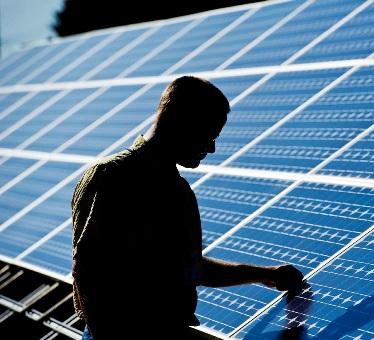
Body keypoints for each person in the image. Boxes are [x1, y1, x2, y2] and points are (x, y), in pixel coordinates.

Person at [71, 76, 304, 339]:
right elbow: (88, 269)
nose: (212, 148)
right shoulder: (112, 176)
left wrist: (265, 274)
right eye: (209, 135)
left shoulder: (178, 191)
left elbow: (189, 268)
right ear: (179, 120)